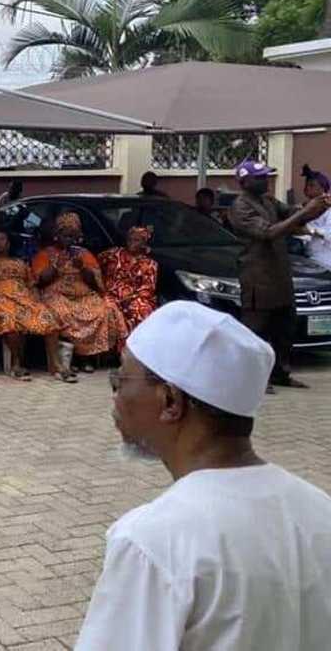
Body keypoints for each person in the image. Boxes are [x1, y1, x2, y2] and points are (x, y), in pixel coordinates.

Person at [75, 302, 331, 651]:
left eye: (120, 379)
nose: (116, 396)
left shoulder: (152, 542)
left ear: (170, 401)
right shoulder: (320, 511)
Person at [229, 159, 329, 391]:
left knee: (285, 328)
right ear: (245, 181)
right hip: (257, 279)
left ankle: (280, 374)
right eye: (260, 177)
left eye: (266, 176)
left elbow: (294, 214)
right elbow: (268, 232)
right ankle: (253, 379)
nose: (266, 180)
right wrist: (303, 212)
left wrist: (319, 206)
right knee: (256, 333)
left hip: (280, 275)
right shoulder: (240, 207)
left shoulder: (268, 200)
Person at [32, 212, 127, 383]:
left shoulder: (83, 253)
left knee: (104, 309)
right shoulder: (46, 254)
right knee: (61, 311)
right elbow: (40, 280)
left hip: (83, 293)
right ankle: (70, 360)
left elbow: (94, 281)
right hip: (56, 293)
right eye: (65, 235)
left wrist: (83, 268)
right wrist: (55, 266)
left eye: (72, 236)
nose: (69, 239)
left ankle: (87, 358)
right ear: (57, 235)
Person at [0, 230, 60, 380]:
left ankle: (56, 365)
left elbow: (32, 284)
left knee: (47, 316)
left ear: (8, 244)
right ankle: (16, 364)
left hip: (23, 298)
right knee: (11, 319)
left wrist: (35, 298)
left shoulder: (19, 262)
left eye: (2, 239)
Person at [100, 226, 159, 332]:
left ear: (143, 243)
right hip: (110, 292)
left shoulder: (150, 264)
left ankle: (132, 344)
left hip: (134, 297)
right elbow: (95, 266)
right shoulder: (113, 254)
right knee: (106, 307)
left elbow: (147, 289)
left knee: (141, 311)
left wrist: (129, 298)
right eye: (130, 239)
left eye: (136, 240)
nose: (132, 243)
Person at [300, 164, 331, 270]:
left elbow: (328, 234)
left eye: (312, 185)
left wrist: (311, 231)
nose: (307, 188)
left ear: (323, 189)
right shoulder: (303, 207)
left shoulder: (328, 210)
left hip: (325, 261)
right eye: (306, 185)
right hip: (309, 259)